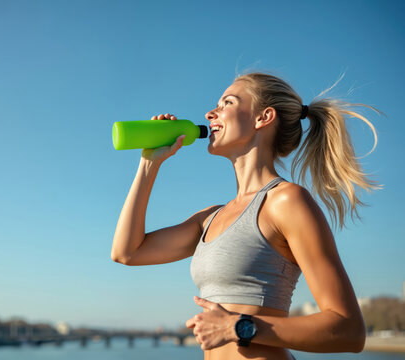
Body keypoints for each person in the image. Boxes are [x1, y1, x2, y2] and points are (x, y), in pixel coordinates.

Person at [110, 72, 379, 359]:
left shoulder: (286, 201)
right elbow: (127, 252)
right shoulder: (209, 218)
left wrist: (238, 327)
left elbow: (349, 331)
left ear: (263, 118)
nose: (210, 113)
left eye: (227, 103)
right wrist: (149, 163)